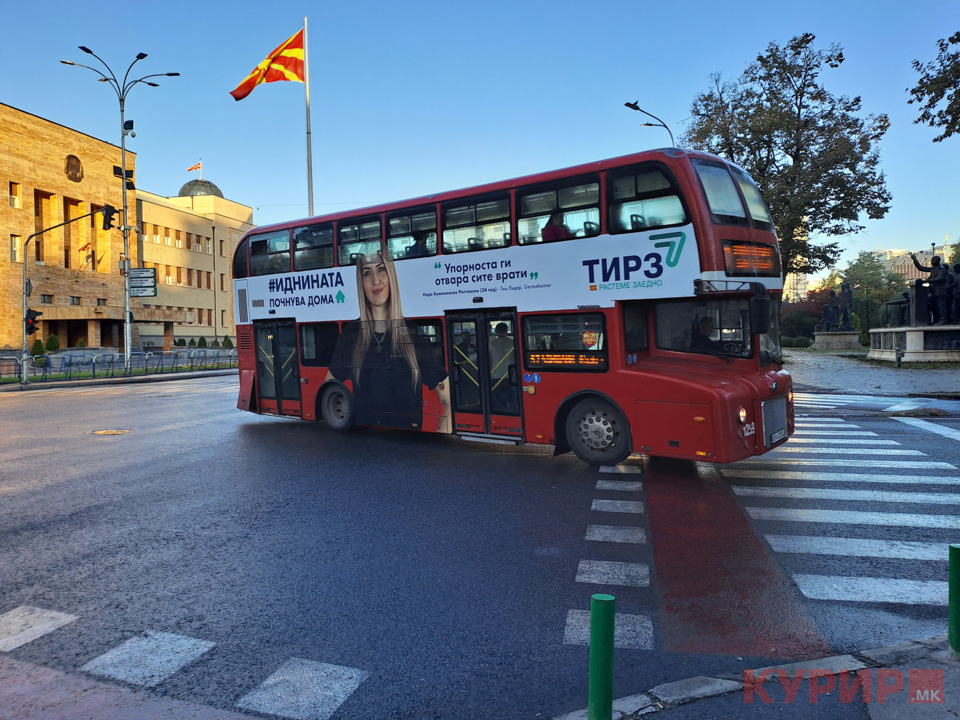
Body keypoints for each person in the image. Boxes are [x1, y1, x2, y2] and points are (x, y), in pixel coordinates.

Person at [326, 243, 451, 432]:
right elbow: (328, 390)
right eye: (367, 273)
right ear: (361, 282)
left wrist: (440, 437)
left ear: (391, 275)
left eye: (381, 269)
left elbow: (450, 401)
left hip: (409, 446)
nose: (376, 281)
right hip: (365, 444)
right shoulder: (351, 335)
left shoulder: (414, 335)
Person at [911, 253, 949, 324]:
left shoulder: (941, 269)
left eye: (933, 261)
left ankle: (943, 319)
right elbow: (921, 268)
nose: (931, 262)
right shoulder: (933, 269)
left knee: (941, 305)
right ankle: (936, 320)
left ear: (937, 261)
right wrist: (915, 260)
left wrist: (927, 280)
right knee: (934, 306)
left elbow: (939, 278)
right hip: (933, 290)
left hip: (940, 290)